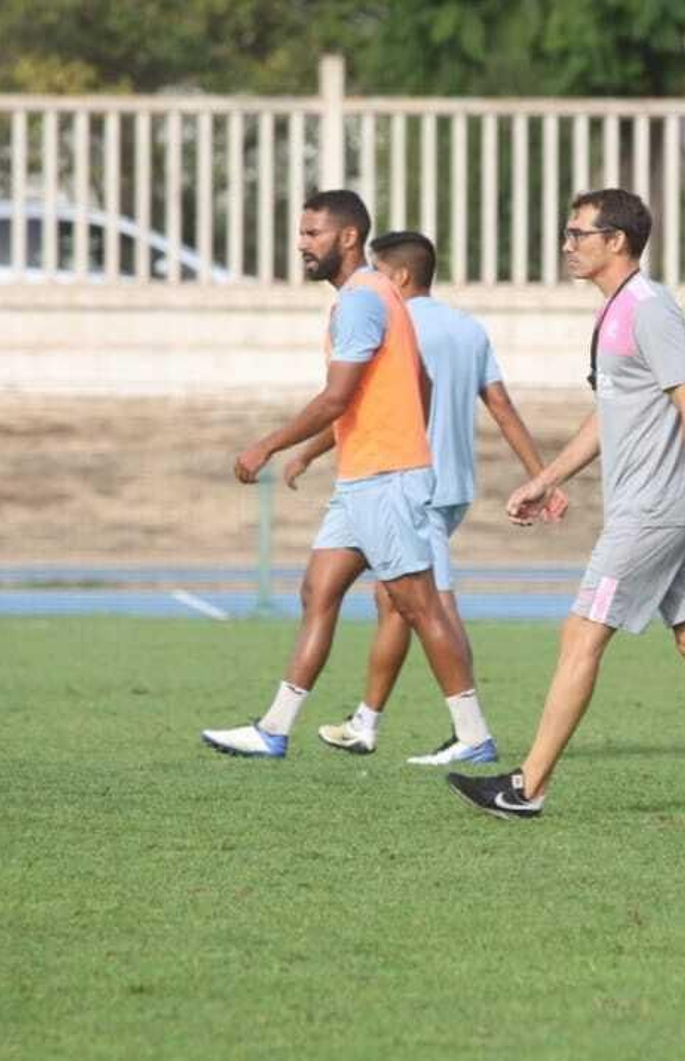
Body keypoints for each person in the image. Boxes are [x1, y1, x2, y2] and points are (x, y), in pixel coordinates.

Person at [446, 188, 685, 821]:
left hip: (654, 513)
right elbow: (609, 413)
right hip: (647, 508)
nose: (567, 245)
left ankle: (526, 787)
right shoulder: (612, 311)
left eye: (577, 234)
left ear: (616, 241)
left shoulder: (649, 308)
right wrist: (548, 476)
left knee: (581, 632)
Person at [199, 190, 482, 762]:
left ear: (348, 237)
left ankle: (473, 734)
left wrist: (270, 446)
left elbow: (335, 398)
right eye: (302, 233)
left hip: (385, 478)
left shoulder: (359, 300)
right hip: (365, 476)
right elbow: (417, 382)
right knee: (318, 591)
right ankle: (274, 729)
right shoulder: (375, 295)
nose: (302, 245)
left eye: (313, 234)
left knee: (418, 605)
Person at [286, 230, 567, 764]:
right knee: (392, 601)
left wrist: (306, 452)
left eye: (376, 270)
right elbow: (502, 406)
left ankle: (471, 733)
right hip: (454, 486)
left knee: (429, 605)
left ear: (398, 277)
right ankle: (365, 722)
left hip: (407, 481)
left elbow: (357, 402)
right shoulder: (468, 327)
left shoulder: (390, 319)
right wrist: (542, 477)